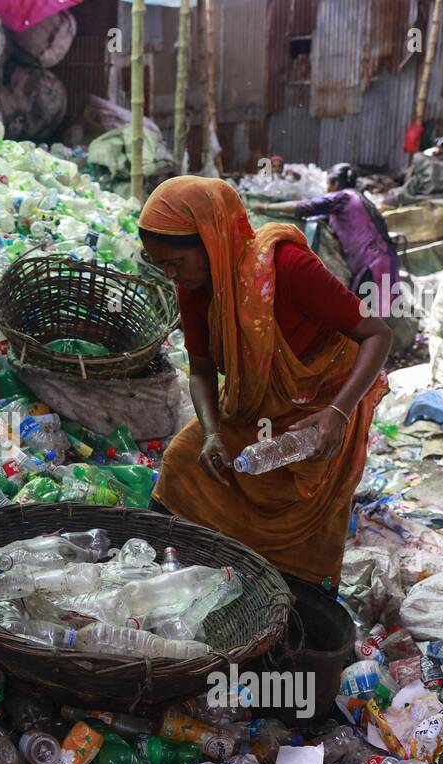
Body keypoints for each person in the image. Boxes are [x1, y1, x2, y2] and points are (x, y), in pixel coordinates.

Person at [139, 176, 390, 592]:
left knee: (304, 515)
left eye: (176, 263)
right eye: (160, 264)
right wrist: (211, 433)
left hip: (318, 413)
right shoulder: (195, 287)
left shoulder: (288, 268)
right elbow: (201, 369)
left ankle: (295, 597)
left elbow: (377, 334)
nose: (171, 276)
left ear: (211, 238)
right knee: (184, 462)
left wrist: (337, 414)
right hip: (253, 406)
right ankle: (181, 578)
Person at [251, 163, 401, 319]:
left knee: (369, 322)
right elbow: (315, 217)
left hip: (374, 264)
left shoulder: (343, 197)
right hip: (384, 261)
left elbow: (306, 206)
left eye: (328, 184)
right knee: (377, 320)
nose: (327, 188)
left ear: (335, 183)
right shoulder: (357, 200)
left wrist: (266, 206)